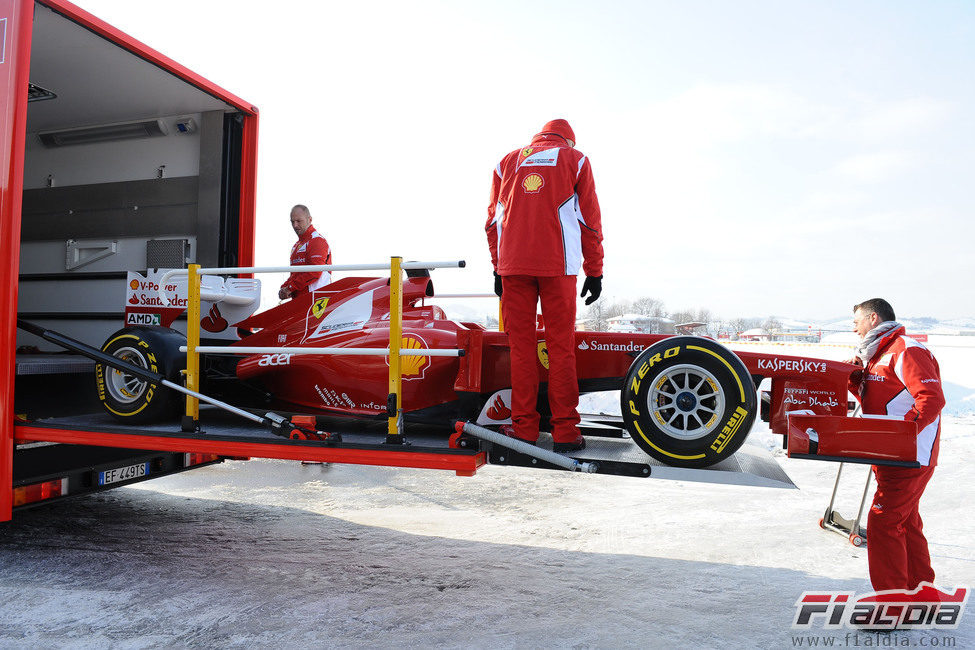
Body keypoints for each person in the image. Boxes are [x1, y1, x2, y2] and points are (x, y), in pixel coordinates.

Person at [485, 119, 604, 453]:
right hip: (558, 267)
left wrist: (498, 268)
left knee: (521, 349)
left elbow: (492, 221)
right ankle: (565, 432)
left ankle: (524, 429)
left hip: (514, 267)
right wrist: (595, 270)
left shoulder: (506, 162)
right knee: (561, 347)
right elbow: (590, 221)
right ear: (568, 140)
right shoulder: (576, 160)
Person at [848, 298, 945, 592]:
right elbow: (883, 398)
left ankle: (893, 604)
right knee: (906, 522)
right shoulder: (877, 354)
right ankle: (921, 594)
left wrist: (899, 436)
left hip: (909, 457)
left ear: (873, 319)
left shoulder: (907, 350)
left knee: (883, 522)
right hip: (889, 455)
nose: (854, 330)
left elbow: (931, 399)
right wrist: (855, 378)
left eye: (856, 322)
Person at [278, 204, 332, 300]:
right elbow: (295, 274)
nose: (295, 225)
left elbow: (314, 272)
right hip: (300, 301)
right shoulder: (297, 245)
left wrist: (290, 288)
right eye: (292, 221)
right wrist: (284, 287)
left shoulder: (317, 241)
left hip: (316, 301)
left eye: (299, 221)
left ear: (309, 219)